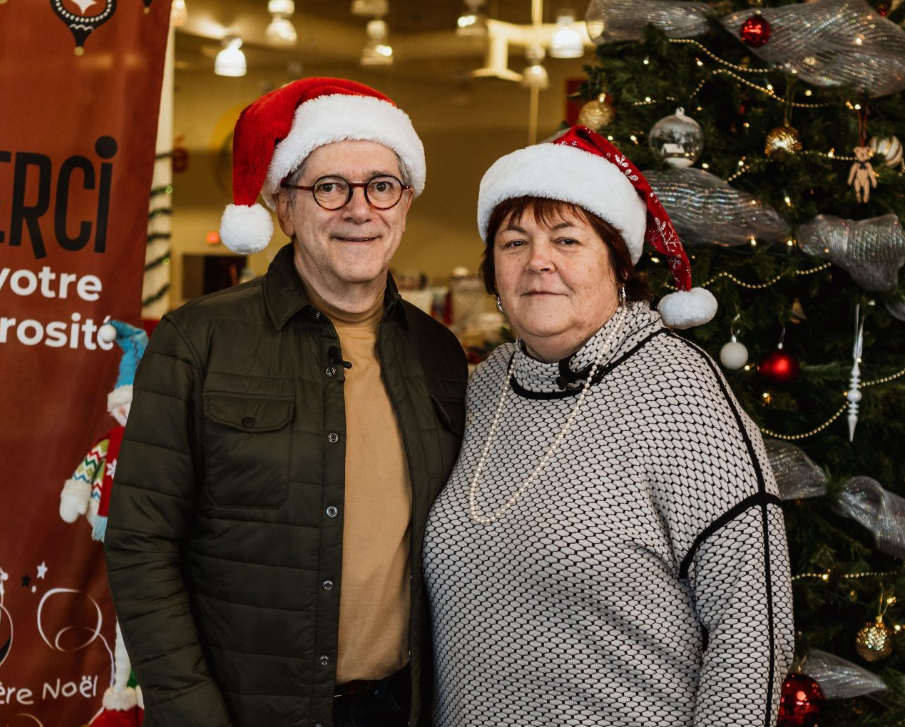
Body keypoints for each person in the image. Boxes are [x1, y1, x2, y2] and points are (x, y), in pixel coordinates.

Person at [104, 78, 468, 727]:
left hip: (397, 707)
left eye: (381, 185)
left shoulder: (439, 355)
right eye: (329, 187)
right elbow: (141, 544)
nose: (360, 209)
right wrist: (190, 712)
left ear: (405, 202)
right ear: (282, 207)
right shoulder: (197, 342)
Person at [423, 125, 794, 726]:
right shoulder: (488, 384)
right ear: (493, 273)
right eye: (514, 243)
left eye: (567, 240)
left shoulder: (677, 389)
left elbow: (751, 626)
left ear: (619, 265)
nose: (538, 260)